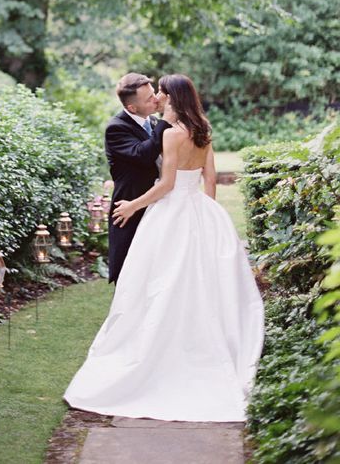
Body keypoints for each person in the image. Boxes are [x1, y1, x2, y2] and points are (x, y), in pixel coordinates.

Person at [65, 74, 264, 422]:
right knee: (198, 280)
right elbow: (211, 179)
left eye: (159, 92)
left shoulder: (171, 133)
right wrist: (207, 214)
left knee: (158, 280)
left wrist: (133, 206)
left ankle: (158, 350)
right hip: (200, 211)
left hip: (168, 212)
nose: (156, 97)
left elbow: (167, 184)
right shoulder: (203, 128)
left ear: (172, 97)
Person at [104, 73, 172, 284]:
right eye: (149, 98)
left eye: (153, 93)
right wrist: (166, 122)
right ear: (132, 108)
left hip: (158, 204)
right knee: (129, 272)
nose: (156, 99)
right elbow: (142, 155)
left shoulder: (151, 121)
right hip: (130, 206)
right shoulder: (116, 128)